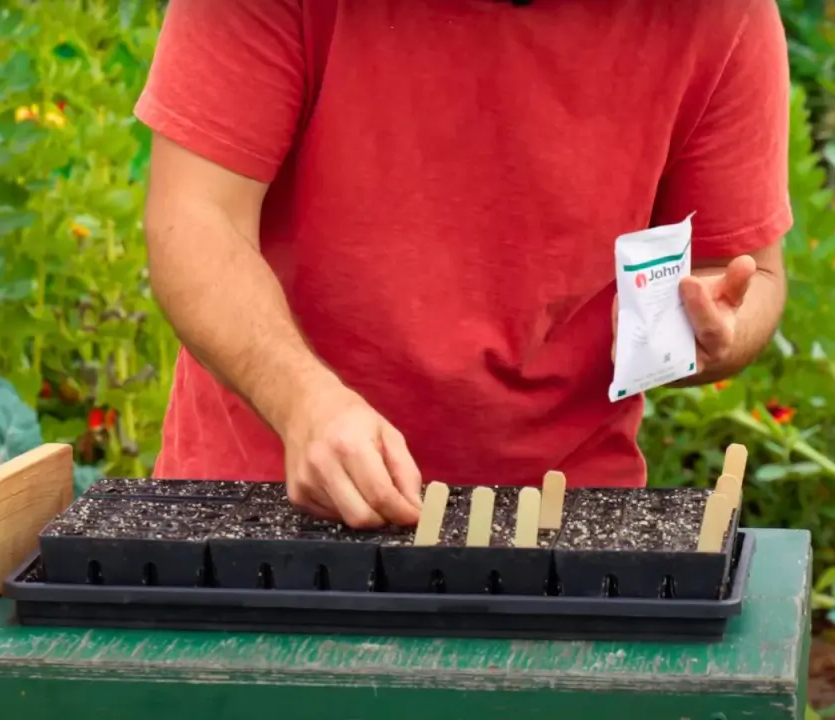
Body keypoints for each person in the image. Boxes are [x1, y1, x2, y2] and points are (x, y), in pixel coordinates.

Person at [135, 0, 791, 530]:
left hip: (559, 518)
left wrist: (706, 328)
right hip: (267, 493)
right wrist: (304, 402)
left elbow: (747, 275)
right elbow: (195, 220)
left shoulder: (719, 15)